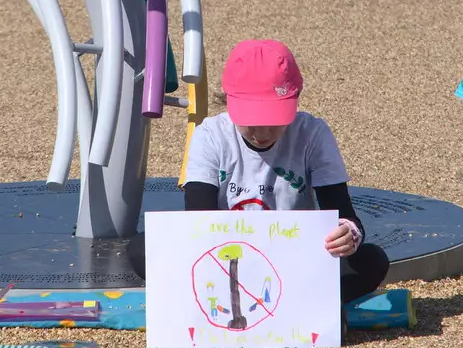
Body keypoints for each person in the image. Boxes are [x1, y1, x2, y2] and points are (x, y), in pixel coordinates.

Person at [129, 39, 388, 304]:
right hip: (223, 259)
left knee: (372, 260)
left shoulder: (312, 134)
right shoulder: (211, 135)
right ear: (230, 103)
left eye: (275, 121)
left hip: (294, 259)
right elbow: (198, 218)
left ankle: (301, 301)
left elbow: (345, 214)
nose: (262, 134)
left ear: (294, 101)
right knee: (141, 249)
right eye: (251, 121)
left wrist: (347, 235)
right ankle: (306, 301)